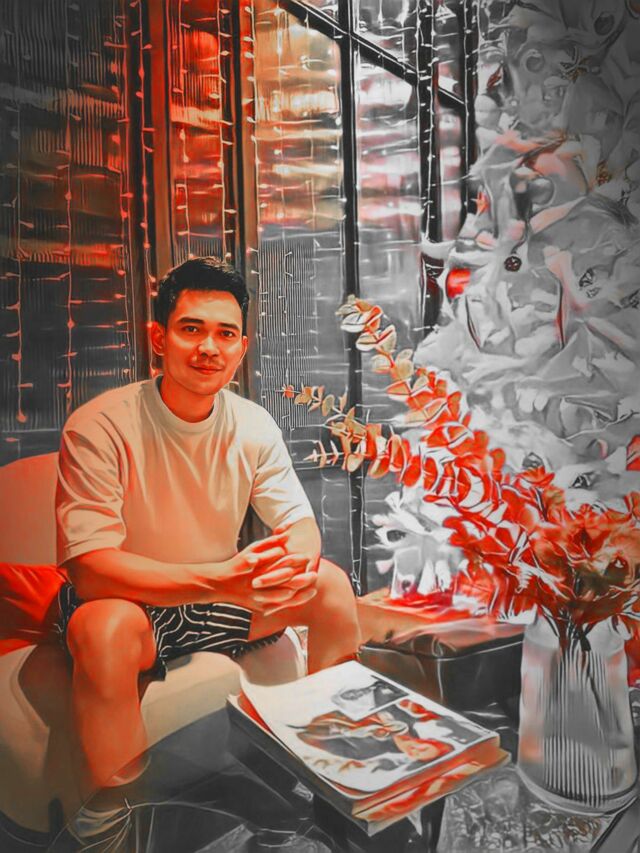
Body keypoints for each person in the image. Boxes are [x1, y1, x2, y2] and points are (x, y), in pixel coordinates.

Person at [54, 256, 361, 839]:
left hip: (218, 601)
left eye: (225, 334)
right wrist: (224, 580)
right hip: (135, 606)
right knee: (103, 627)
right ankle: (112, 821)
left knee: (330, 585)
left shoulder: (253, 424)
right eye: (191, 329)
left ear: (241, 348)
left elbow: (300, 526)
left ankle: (337, 774)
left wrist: (288, 563)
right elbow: (90, 569)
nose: (208, 348)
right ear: (158, 338)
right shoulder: (99, 425)